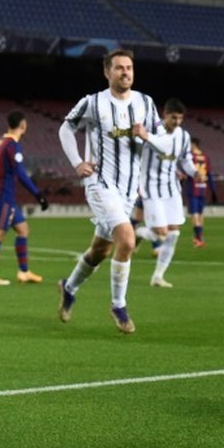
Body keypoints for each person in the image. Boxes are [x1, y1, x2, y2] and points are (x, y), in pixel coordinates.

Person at [57, 49, 161, 334]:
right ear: (107, 72)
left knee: (100, 250)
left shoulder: (145, 103)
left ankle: (68, 287)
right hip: (100, 184)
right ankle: (118, 305)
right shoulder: (92, 103)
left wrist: (148, 137)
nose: (125, 72)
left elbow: (161, 138)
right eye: (119, 68)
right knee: (127, 240)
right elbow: (65, 130)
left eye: (129, 67)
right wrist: (78, 163)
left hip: (129, 191)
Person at [133, 98, 198, 288]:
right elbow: (147, 148)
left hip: (171, 189)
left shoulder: (183, 136)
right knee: (160, 233)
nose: (177, 122)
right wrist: (144, 137)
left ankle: (158, 276)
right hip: (151, 188)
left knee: (173, 234)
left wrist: (194, 172)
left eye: (180, 119)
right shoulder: (150, 130)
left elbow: (185, 158)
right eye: (173, 118)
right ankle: (136, 233)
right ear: (165, 114)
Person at [0, 111, 49, 285]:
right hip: (4, 196)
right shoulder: (12, 145)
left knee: (23, 229)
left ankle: (24, 272)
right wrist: (38, 194)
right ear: (23, 125)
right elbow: (19, 172)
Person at [186, 137, 217, 247]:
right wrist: (213, 190)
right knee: (200, 214)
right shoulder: (205, 157)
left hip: (192, 187)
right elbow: (209, 174)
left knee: (194, 214)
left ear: (193, 144)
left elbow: (187, 171)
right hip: (203, 188)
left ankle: (198, 238)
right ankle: (199, 237)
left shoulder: (190, 157)